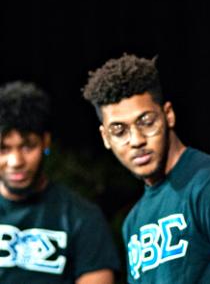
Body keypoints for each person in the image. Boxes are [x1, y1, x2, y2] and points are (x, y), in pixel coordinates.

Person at [82, 53, 210, 283]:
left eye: (146, 122)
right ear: (105, 138)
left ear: (168, 115)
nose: (137, 140)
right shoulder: (133, 221)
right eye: (120, 131)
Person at [0, 81, 120, 284]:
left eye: (28, 147)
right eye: (4, 149)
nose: (16, 161)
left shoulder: (82, 216)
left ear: (45, 142)